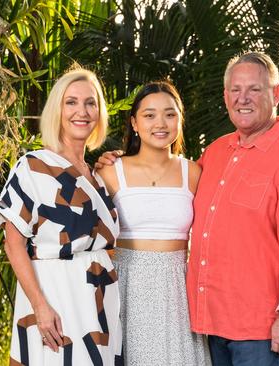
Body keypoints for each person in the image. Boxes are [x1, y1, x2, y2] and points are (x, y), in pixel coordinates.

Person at [97, 52, 279, 365]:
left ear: (275, 94)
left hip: (260, 328)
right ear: (226, 96)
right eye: (235, 90)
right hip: (209, 323)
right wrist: (121, 159)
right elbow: (162, 189)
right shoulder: (216, 153)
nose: (243, 98)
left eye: (254, 89)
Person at [0, 66, 123, 365]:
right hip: (54, 292)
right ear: (57, 110)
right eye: (71, 102)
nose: (82, 111)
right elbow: (13, 244)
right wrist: (40, 306)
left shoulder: (99, 176)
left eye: (91, 103)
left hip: (99, 296)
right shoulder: (33, 166)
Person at [95, 81, 211, 366]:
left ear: (180, 121)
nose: (161, 123)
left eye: (170, 114)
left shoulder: (194, 172)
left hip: (178, 291)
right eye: (149, 115)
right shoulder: (110, 172)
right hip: (127, 285)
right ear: (134, 123)